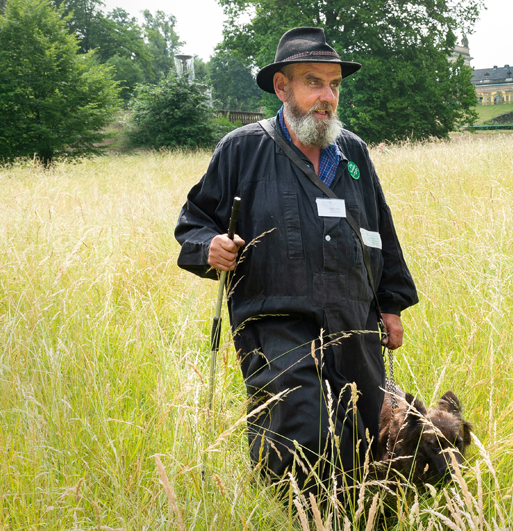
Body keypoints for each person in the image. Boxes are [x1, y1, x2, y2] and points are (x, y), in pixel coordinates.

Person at [174, 27, 418, 493]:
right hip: (273, 318)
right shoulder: (242, 149)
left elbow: (380, 231)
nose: (327, 97)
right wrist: (209, 246)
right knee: (299, 431)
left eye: (334, 85)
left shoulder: (353, 153)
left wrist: (391, 304)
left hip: (354, 315)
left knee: (368, 433)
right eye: (313, 82)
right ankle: (305, 514)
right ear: (282, 87)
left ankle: (358, 515)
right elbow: (194, 223)